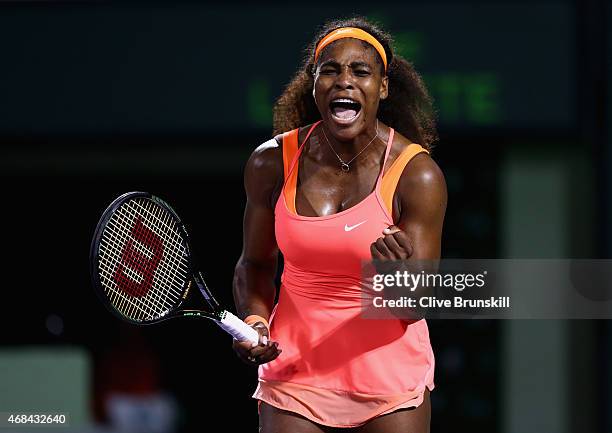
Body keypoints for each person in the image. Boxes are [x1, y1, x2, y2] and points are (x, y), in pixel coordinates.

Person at [233, 17, 447, 433]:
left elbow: (419, 303)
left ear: (382, 88)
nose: (344, 81)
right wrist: (255, 323)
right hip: (295, 370)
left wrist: (396, 277)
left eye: (360, 71)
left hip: (388, 379)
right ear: (313, 84)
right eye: (329, 70)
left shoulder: (416, 175)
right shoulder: (271, 162)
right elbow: (254, 265)